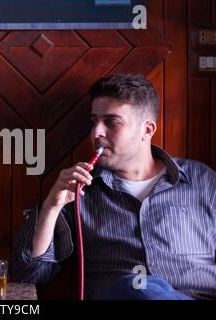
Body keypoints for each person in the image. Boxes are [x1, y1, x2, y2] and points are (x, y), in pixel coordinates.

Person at [12, 74, 216, 300]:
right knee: (137, 286)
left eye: (111, 122)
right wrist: (52, 205)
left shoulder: (204, 181)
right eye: (94, 121)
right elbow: (29, 272)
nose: (97, 133)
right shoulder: (78, 191)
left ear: (147, 130)